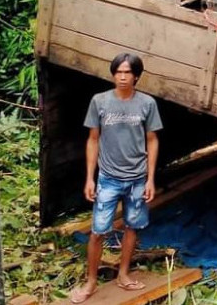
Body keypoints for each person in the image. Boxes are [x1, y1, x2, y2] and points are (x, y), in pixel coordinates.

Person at [70, 53, 162, 303]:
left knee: (132, 227)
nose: (122, 77)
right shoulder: (99, 102)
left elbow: (152, 141)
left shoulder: (147, 104)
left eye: (127, 73)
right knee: (98, 231)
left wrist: (150, 179)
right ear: (113, 74)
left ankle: (123, 274)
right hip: (108, 178)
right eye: (118, 72)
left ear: (136, 77)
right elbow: (93, 139)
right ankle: (90, 282)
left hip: (137, 179)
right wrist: (90, 178)